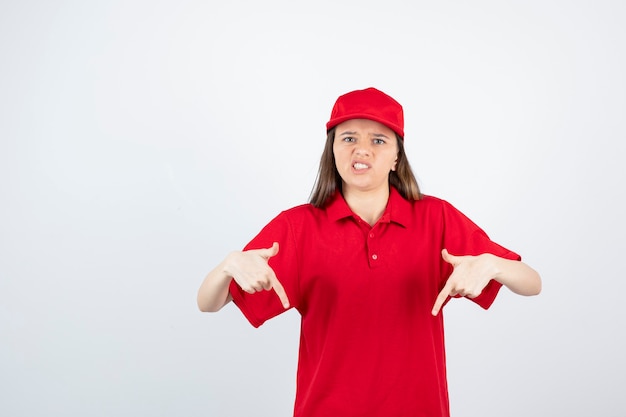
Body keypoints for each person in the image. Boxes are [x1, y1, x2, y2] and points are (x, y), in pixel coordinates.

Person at [197, 87, 541, 417]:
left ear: (396, 156)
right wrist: (228, 266)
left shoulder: (436, 219)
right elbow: (209, 303)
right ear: (332, 150)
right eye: (349, 138)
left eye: (378, 140)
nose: (362, 150)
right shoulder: (298, 227)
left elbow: (532, 282)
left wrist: (493, 265)